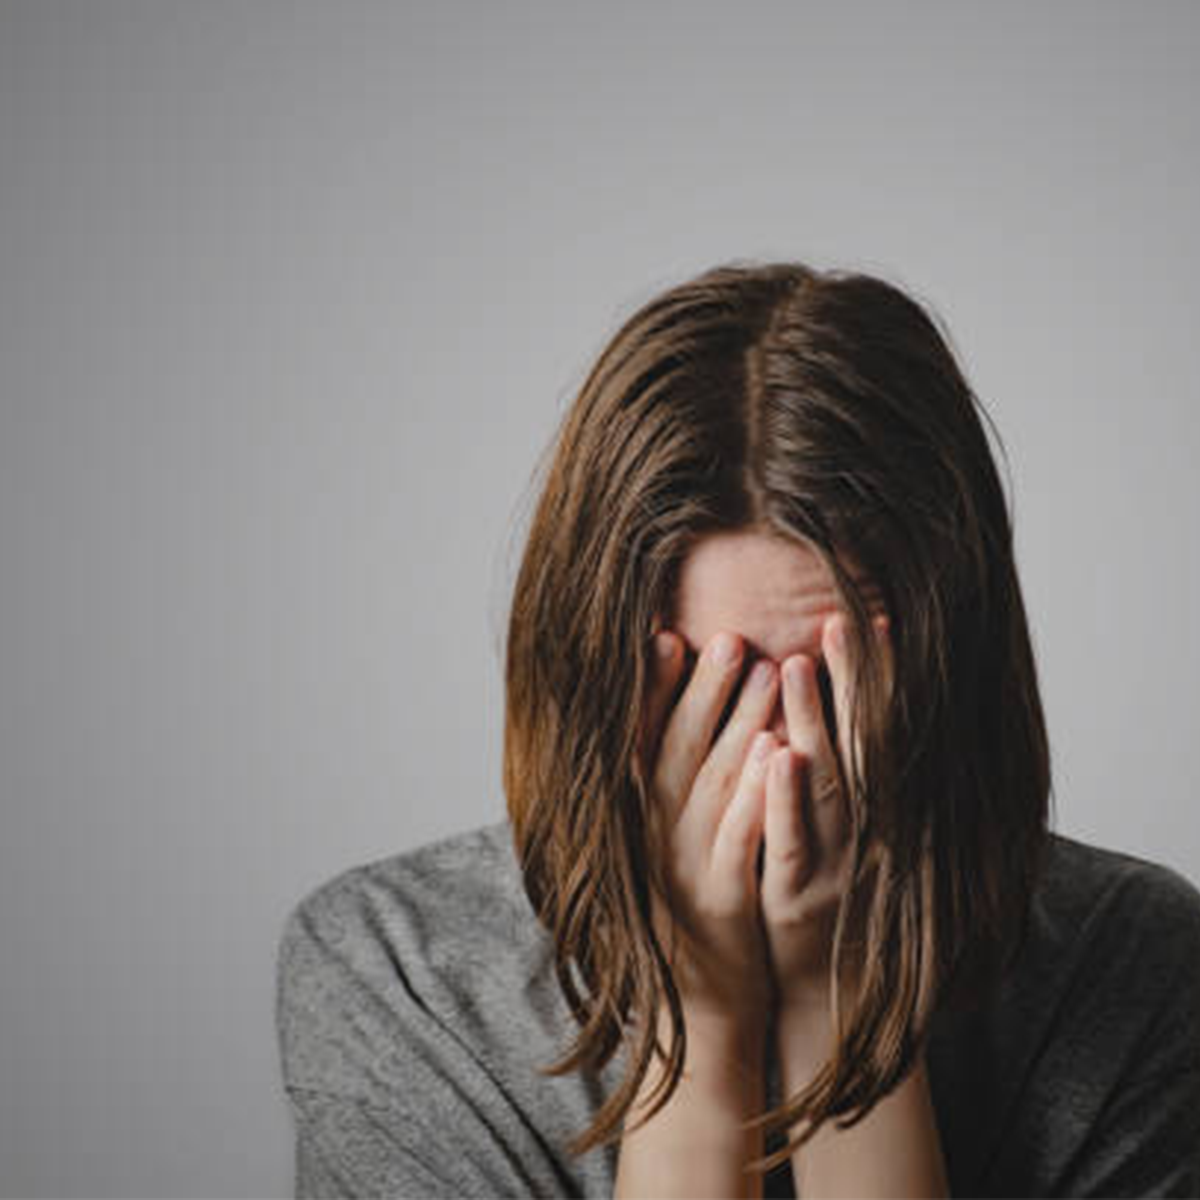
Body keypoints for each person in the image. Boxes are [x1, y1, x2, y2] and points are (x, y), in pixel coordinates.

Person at [275, 261, 1200, 1197]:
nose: (781, 766)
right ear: (596, 680)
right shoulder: (401, 978)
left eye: (832, 689)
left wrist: (846, 1005)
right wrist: (699, 1028)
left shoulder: (1137, 966)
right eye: (717, 698)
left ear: (946, 675)